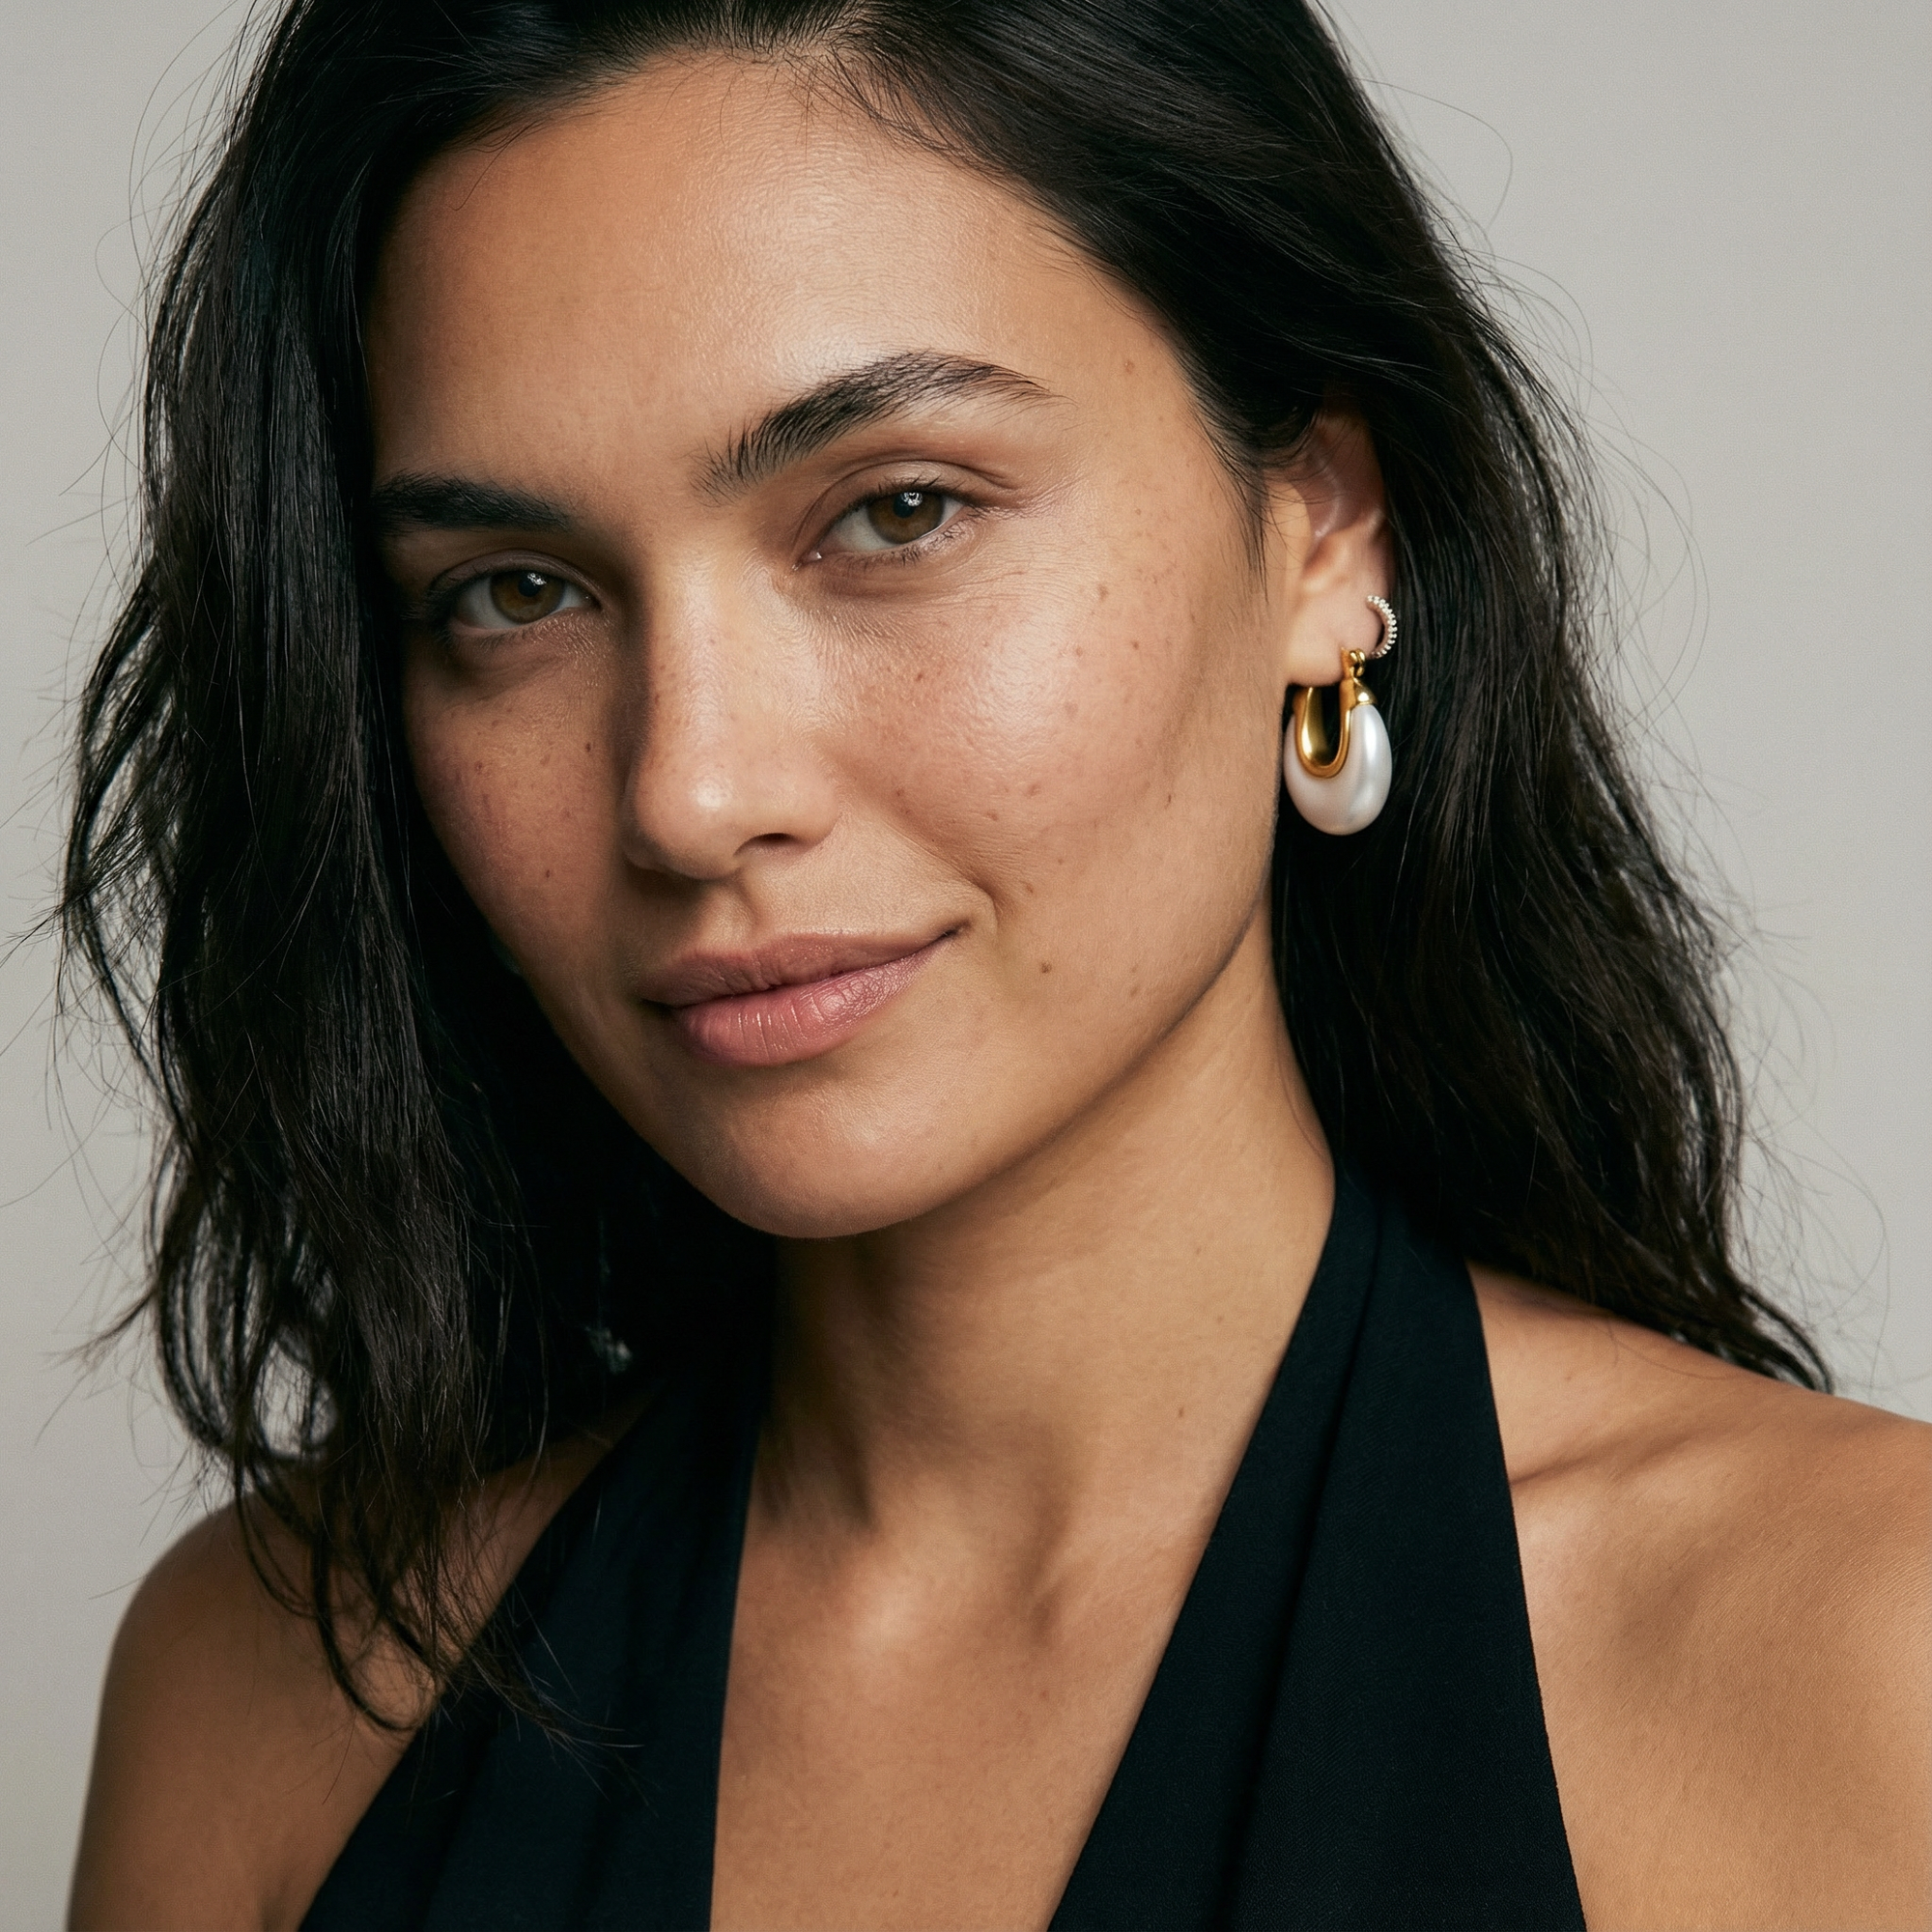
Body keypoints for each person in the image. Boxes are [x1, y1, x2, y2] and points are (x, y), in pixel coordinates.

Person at [61, 2, 1929, 1927]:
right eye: (514, 594)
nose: (689, 792)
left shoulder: (1862, 1662)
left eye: (896, 511)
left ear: (1323, 528)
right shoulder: (277, 1696)